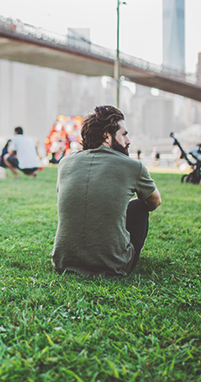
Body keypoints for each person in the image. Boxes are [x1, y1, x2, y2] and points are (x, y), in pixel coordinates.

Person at [51, 105, 162, 277]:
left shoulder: (65, 162)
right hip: (113, 265)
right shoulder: (132, 166)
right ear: (106, 136)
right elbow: (154, 202)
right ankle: (122, 253)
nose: (128, 141)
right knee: (139, 206)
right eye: (124, 134)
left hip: (64, 261)